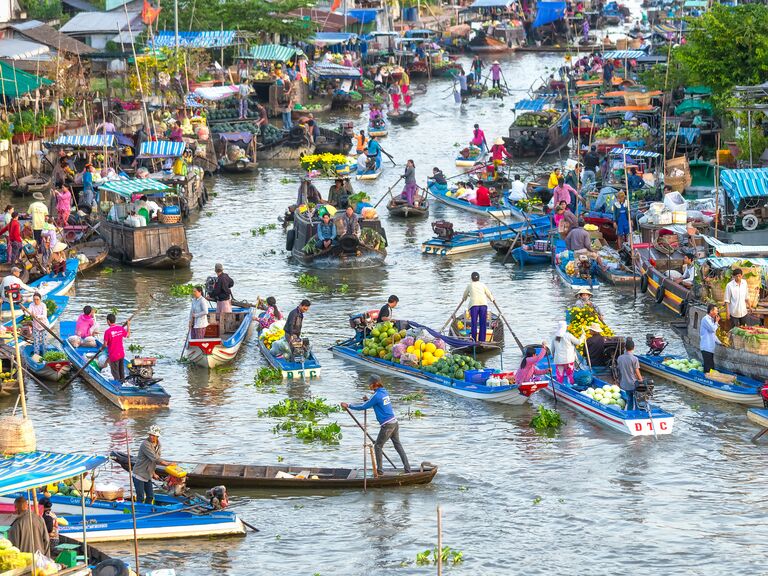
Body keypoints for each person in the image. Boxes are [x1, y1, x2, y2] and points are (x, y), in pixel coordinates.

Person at [341, 375, 411, 474]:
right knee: (398, 446)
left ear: (374, 385)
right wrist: (368, 400)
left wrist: (348, 405)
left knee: (378, 446)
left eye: (370, 385)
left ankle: (379, 471)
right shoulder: (384, 391)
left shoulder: (376, 396)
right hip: (394, 423)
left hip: (387, 425)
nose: (369, 386)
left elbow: (363, 407)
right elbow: (375, 402)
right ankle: (408, 469)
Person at [132, 425, 175, 504]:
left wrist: (153, 473)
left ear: (157, 436)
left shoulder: (158, 445)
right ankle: (139, 512)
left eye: (154, 435)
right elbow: (155, 458)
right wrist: (167, 464)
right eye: (150, 435)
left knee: (150, 496)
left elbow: (153, 461)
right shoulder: (145, 444)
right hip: (139, 474)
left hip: (148, 475)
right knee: (140, 497)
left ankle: (147, 510)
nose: (151, 437)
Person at [460, 272, 495, 342]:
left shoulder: (470, 285)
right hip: (483, 305)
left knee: (474, 323)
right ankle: (482, 340)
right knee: (483, 323)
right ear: (479, 278)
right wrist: (492, 299)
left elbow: (465, 294)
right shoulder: (483, 285)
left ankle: (473, 340)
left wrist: (464, 299)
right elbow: (488, 293)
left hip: (474, 305)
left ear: (471, 278)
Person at [550, 320, 582, 385]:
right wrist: (583, 336)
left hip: (559, 360)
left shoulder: (554, 337)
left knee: (560, 376)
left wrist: (554, 357)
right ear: (565, 328)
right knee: (570, 375)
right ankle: (570, 386)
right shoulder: (568, 336)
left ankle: (560, 387)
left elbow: (552, 350)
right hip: (568, 360)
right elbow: (578, 342)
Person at [104, 313, 130, 382]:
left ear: (108, 321)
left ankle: (118, 386)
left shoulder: (107, 332)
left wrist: (101, 348)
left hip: (114, 355)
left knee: (115, 372)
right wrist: (128, 325)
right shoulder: (120, 328)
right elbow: (128, 335)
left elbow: (105, 345)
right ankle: (123, 382)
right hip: (121, 354)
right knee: (121, 371)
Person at [616, 338, 642, 409]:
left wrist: (618, 382)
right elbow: (637, 372)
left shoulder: (620, 358)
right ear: (633, 347)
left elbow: (619, 371)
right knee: (637, 401)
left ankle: (629, 412)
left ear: (625, 348)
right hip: (633, 384)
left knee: (629, 400)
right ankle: (637, 414)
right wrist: (641, 381)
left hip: (624, 384)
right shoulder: (634, 359)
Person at [700, 304, 719, 374]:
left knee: (711, 367)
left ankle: (710, 380)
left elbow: (713, 335)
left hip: (710, 348)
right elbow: (713, 329)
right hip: (706, 347)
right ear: (711, 311)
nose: (717, 313)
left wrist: (720, 343)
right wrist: (716, 322)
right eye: (716, 311)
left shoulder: (711, 320)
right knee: (708, 368)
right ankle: (705, 382)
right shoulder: (706, 319)